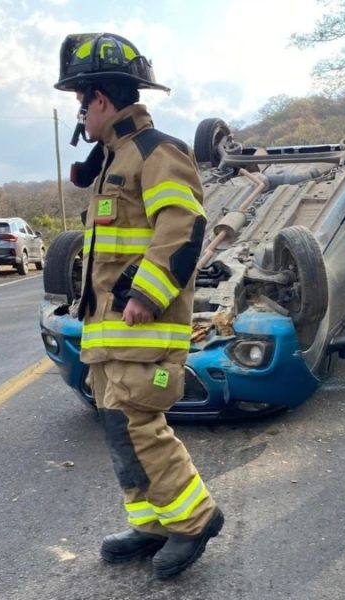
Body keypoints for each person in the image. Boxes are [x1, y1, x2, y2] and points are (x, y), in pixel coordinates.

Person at [54, 32, 223, 579]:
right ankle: (152, 522)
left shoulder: (157, 152)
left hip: (143, 328)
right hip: (110, 334)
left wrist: (147, 294)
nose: (80, 111)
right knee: (119, 429)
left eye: (82, 99)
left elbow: (183, 226)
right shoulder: (114, 160)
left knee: (139, 426)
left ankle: (195, 519)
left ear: (101, 99)